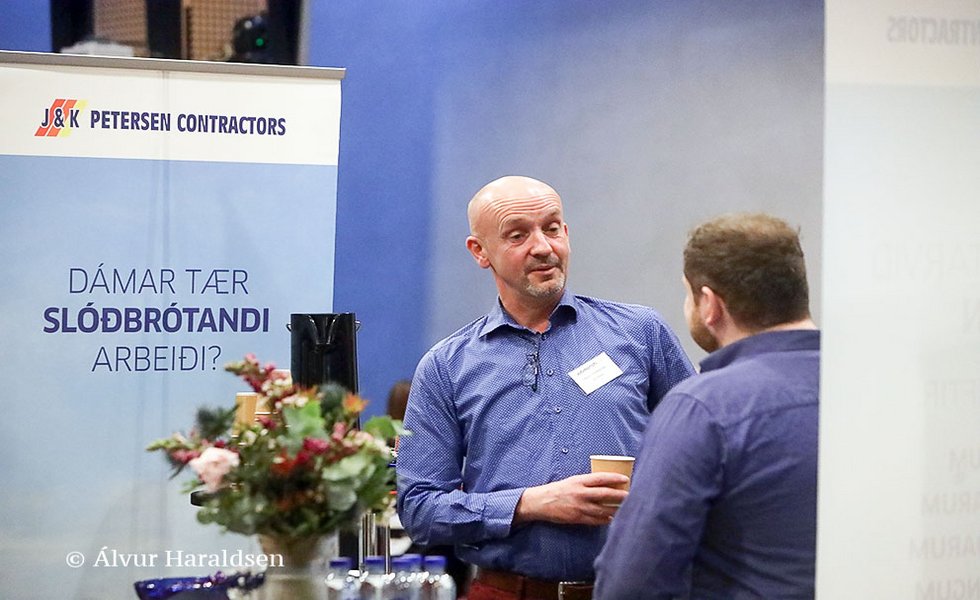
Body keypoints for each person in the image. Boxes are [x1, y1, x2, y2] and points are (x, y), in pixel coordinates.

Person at [396, 175, 695, 600]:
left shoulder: (641, 333)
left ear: (566, 233)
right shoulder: (446, 366)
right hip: (507, 592)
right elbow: (420, 509)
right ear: (479, 252)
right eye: (517, 235)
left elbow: (702, 455)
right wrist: (530, 504)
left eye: (552, 228)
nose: (542, 247)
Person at [593, 213, 820, 599]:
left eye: (689, 295)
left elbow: (632, 582)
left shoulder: (701, 408)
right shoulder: (870, 386)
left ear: (710, 305)